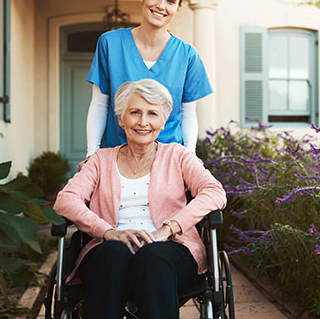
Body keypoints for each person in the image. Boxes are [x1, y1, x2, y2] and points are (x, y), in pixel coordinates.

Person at [54, 79, 227, 319]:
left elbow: (214, 191)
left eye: (152, 113)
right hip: (108, 250)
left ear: (163, 121)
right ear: (121, 119)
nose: (143, 122)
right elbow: (66, 199)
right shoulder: (100, 161)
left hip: (170, 250)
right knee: (113, 254)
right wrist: (107, 232)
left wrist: (168, 229)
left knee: (153, 257)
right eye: (135, 112)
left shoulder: (178, 156)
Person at [83, 0, 211, 170]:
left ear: (177, 8)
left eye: (170, 0)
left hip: (168, 163)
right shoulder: (110, 44)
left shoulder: (188, 56)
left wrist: (191, 155)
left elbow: (188, 114)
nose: (161, 5)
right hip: (116, 159)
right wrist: (92, 153)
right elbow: (100, 105)